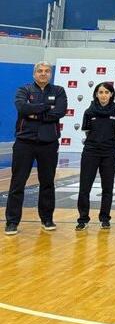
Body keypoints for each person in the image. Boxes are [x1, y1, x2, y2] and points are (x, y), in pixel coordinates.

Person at [5, 61, 67, 236]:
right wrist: (46, 108)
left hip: (49, 143)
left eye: (47, 71)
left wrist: (34, 113)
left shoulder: (59, 91)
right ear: (34, 74)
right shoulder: (24, 90)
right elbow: (23, 108)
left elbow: (60, 112)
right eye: (40, 71)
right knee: (17, 183)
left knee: (47, 182)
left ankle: (47, 219)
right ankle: (12, 222)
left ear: (50, 74)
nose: (43, 73)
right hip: (24, 142)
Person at [76, 82, 115, 230]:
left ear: (111, 94)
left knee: (107, 187)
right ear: (96, 94)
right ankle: (83, 219)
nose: (103, 95)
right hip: (91, 152)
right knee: (85, 187)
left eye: (106, 92)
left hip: (109, 153)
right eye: (101, 92)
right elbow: (87, 132)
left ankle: (105, 218)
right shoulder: (89, 112)